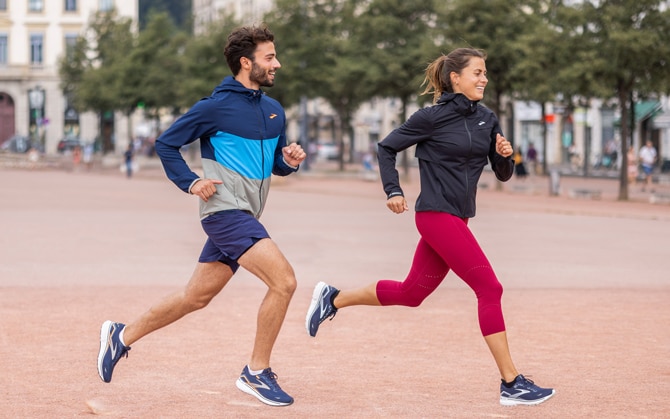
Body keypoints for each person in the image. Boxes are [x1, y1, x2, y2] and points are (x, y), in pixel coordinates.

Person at [306, 48, 555, 407]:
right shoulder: (431, 118)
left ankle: (333, 298)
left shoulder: (487, 118)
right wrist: (392, 189)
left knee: (412, 293)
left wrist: (503, 156)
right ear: (456, 78)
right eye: (477, 73)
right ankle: (511, 382)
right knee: (490, 288)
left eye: (486, 73)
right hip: (436, 215)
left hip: (459, 216)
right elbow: (386, 148)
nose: (484, 78)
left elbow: (502, 174)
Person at [97, 25, 305, 407]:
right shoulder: (214, 107)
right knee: (284, 281)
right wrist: (191, 182)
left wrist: (288, 162)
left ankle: (121, 336)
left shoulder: (275, 111)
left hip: (247, 213)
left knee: (196, 297)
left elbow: (273, 164)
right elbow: (166, 143)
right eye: (270, 57)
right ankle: (256, 372)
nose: (278, 63)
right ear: (247, 63)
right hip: (225, 213)